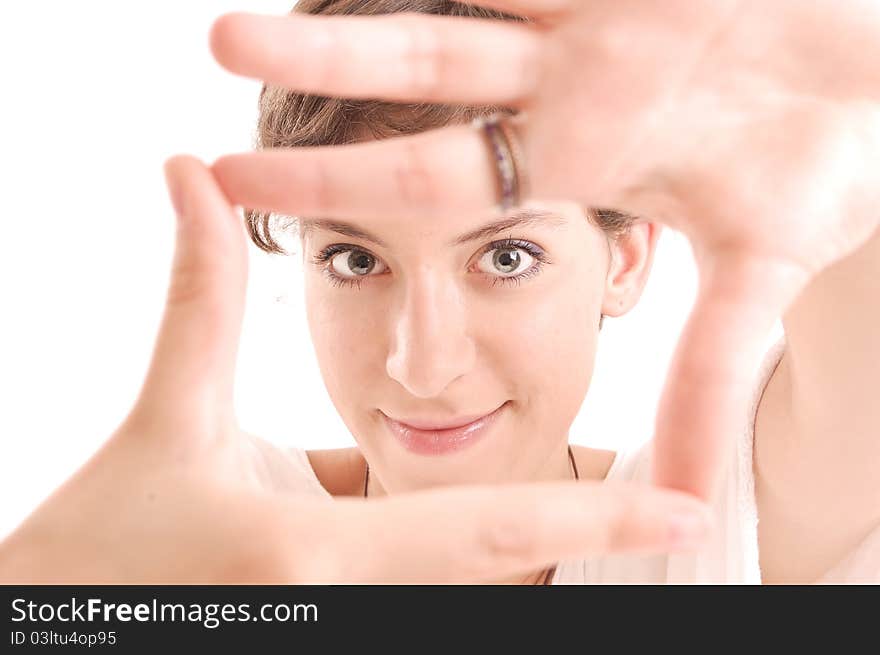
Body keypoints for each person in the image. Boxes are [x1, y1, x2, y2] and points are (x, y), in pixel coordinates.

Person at [2, 0, 879, 584]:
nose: (421, 364)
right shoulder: (217, 535)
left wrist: (852, 133)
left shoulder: (694, 534)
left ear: (625, 261)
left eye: (505, 258)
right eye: (354, 259)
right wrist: (37, 604)